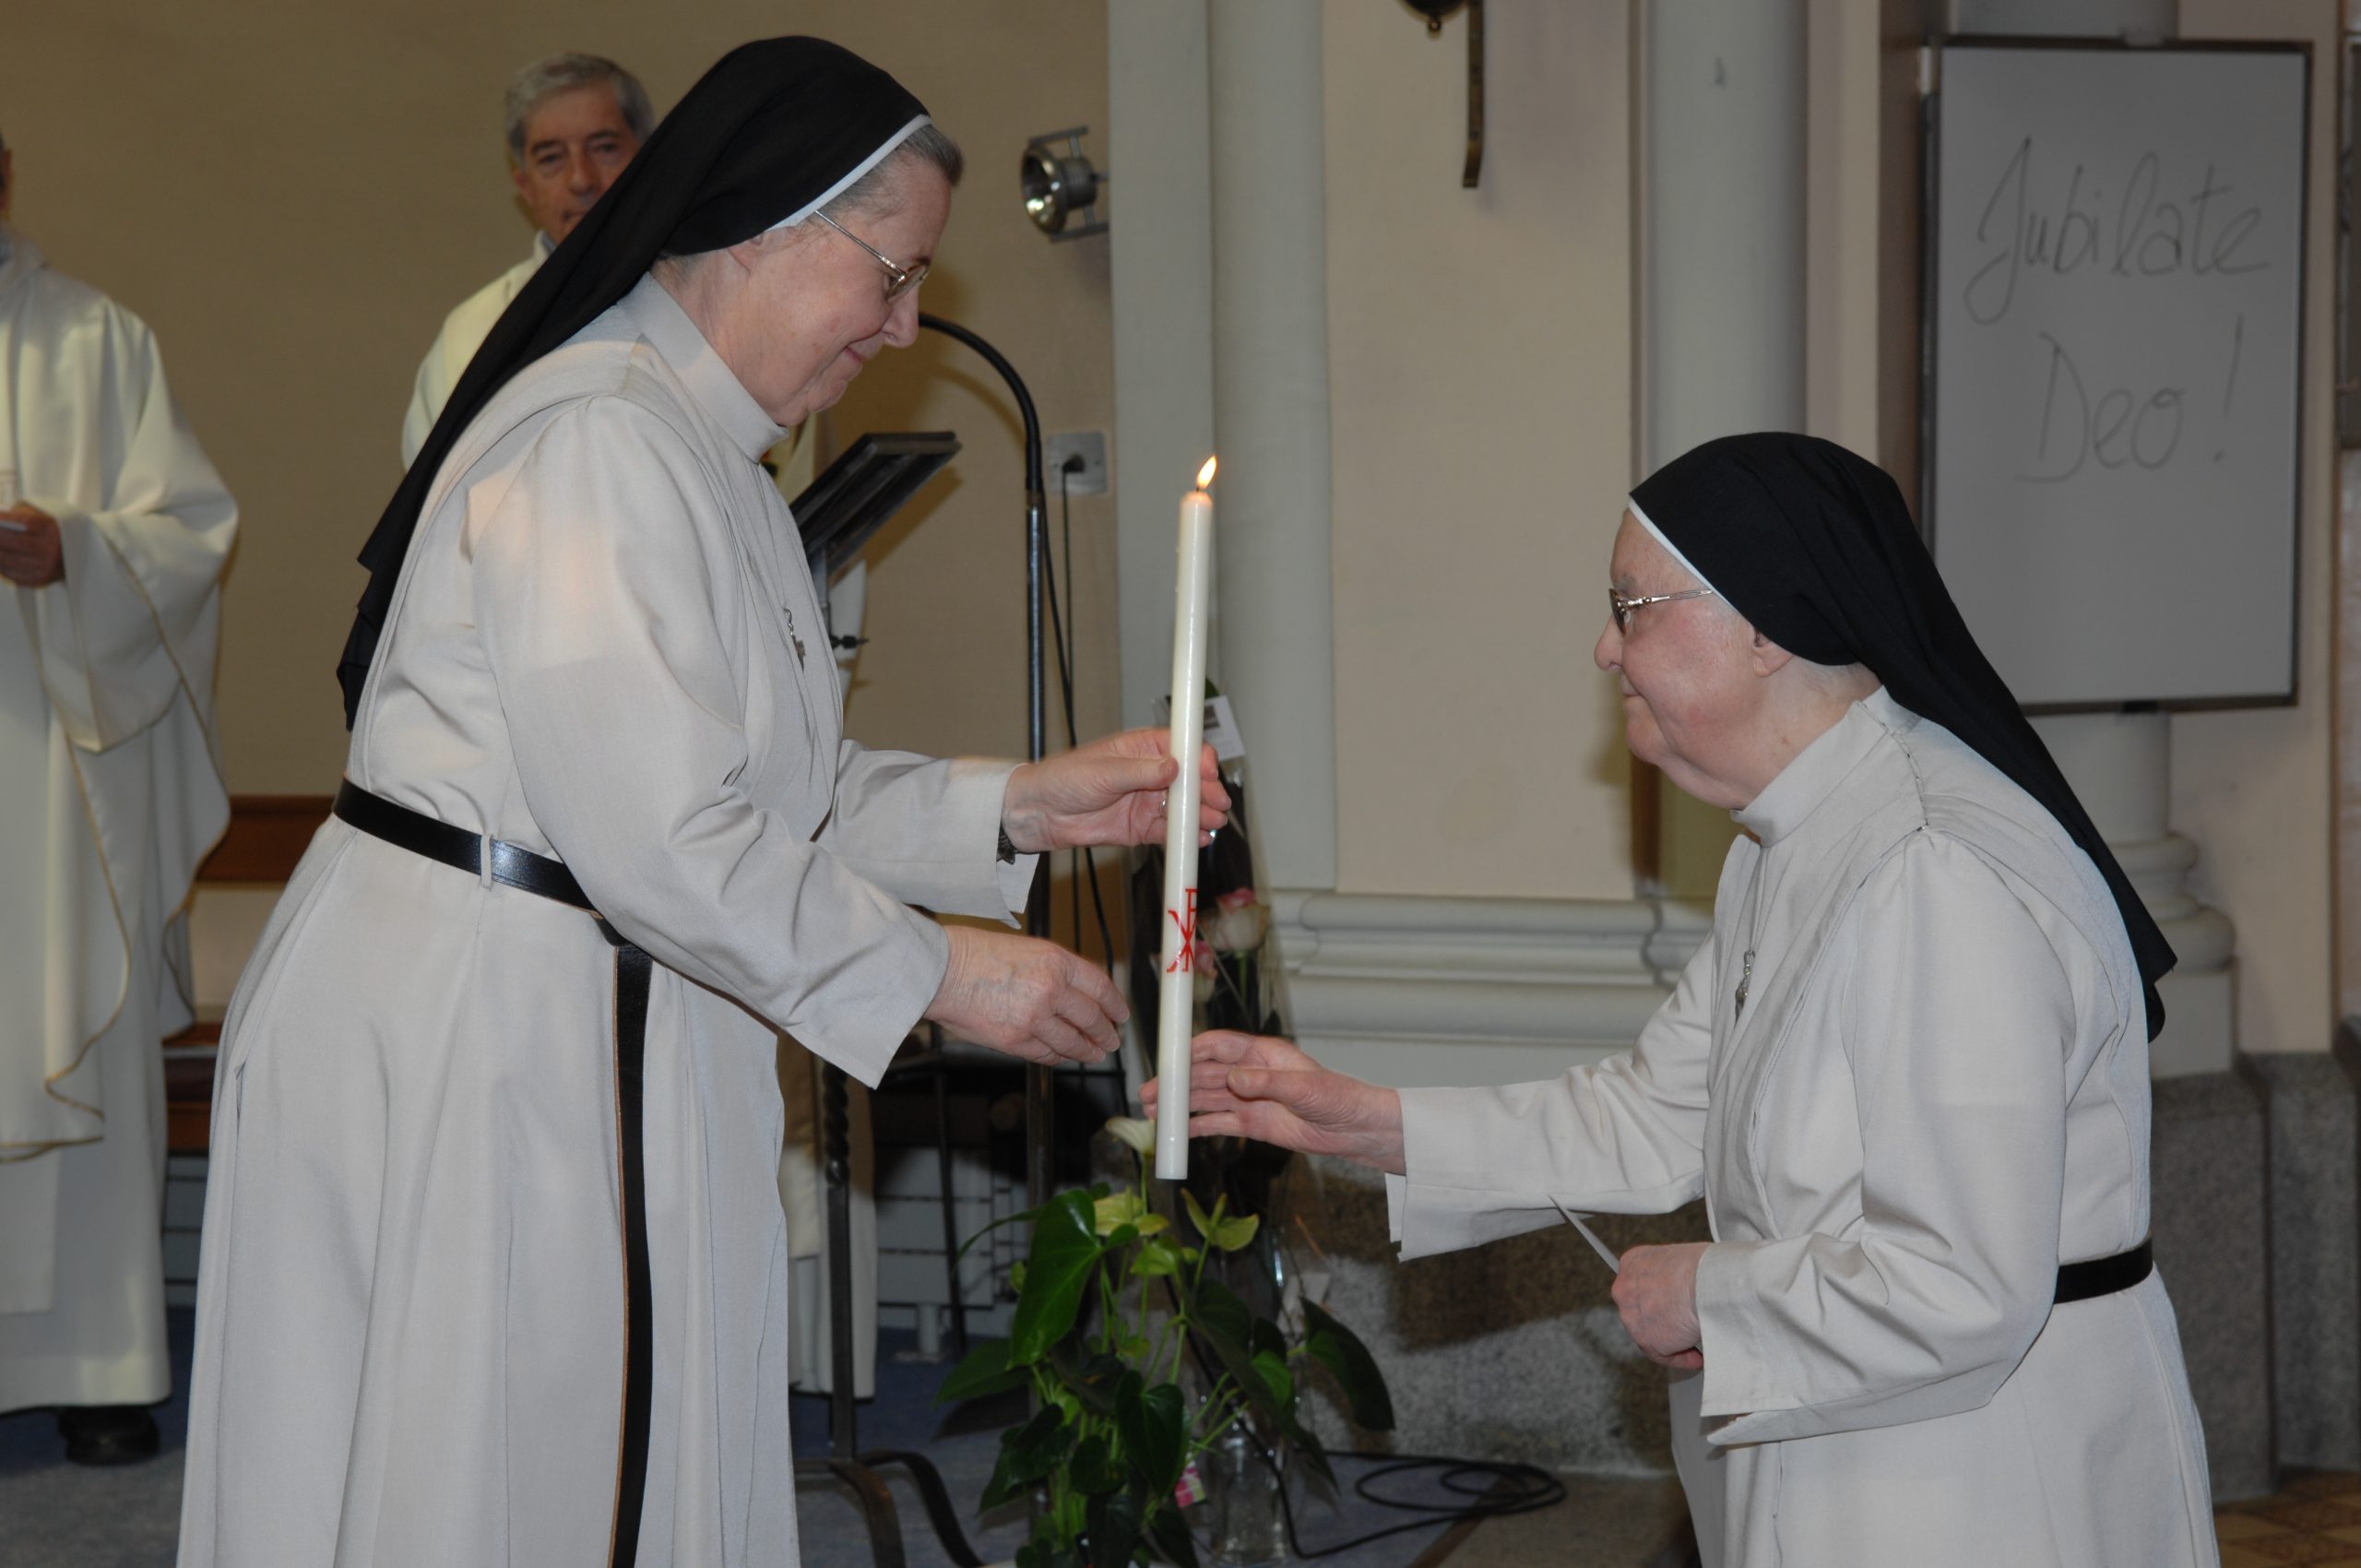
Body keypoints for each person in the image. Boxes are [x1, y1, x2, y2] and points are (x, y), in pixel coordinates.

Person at [177, 38, 1224, 1568]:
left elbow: (754, 785)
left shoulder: (706, 454)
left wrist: (1023, 808)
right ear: (764, 225)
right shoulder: (602, 436)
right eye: (890, 273)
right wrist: (940, 970)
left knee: (567, 1455)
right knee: (500, 1474)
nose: (904, 324)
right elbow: (662, 834)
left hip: (565, 1006)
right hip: (490, 1034)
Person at [1150, 434, 2216, 1568]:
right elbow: (1663, 1108)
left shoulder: (1932, 871)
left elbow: (1961, 1278)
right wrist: (1362, 1119)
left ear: (1762, 626)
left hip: (1986, 1474)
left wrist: (1711, 1290)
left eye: (1633, 606)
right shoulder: (1796, 833)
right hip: (1871, 1432)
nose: (1605, 649)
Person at [0, 128, 238, 1464]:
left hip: (51, 771)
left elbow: (192, 530)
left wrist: (72, 553)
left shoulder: (96, 341)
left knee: (65, 1029)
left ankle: (97, 1366)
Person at [399, 51, 653, 466]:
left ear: (650, 161)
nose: (581, 180)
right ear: (525, 187)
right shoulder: (474, 336)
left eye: (604, 148)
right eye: (551, 158)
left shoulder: (710, 299)